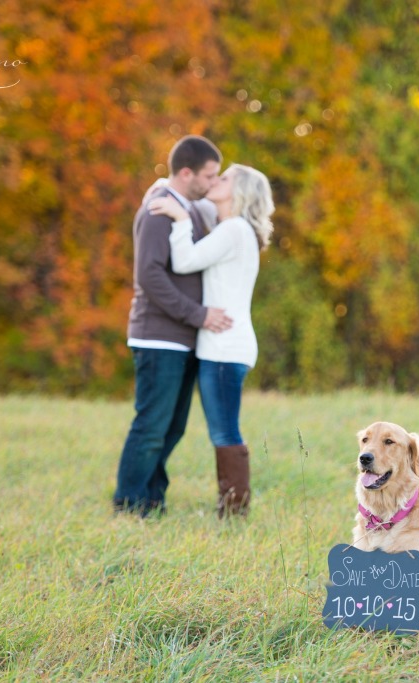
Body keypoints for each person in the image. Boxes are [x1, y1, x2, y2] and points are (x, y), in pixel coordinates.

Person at [113, 135, 233, 517]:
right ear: (186, 173)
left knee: (173, 428)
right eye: (209, 176)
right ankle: (130, 506)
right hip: (158, 337)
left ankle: (152, 498)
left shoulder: (188, 208)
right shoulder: (157, 211)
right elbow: (149, 275)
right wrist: (198, 315)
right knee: (151, 427)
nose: (212, 182)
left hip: (183, 339)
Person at [148, 164, 274, 517]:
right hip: (228, 345)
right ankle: (233, 508)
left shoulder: (234, 229)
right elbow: (187, 194)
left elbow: (185, 261)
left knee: (224, 430)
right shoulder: (233, 228)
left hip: (224, 348)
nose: (215, 181)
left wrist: (179, 219)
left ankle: (234, 512)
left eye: (224, 178)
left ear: (240, 192)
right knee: (224, 428)